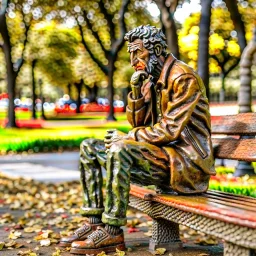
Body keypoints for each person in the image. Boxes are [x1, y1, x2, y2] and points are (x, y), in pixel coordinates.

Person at [59, 25, 215, 255]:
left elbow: (170, 130)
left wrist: (129, 137)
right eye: (130, 54)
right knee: (89, 148)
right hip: (163, 155)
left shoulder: (183, 77)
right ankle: (94, 222)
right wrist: (135, 92)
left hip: (185, 162)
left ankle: (112, 231)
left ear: (158, 49)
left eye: (137, 53)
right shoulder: (151, 79)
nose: (133, 61)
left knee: (120, 149)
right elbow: (138, 123)